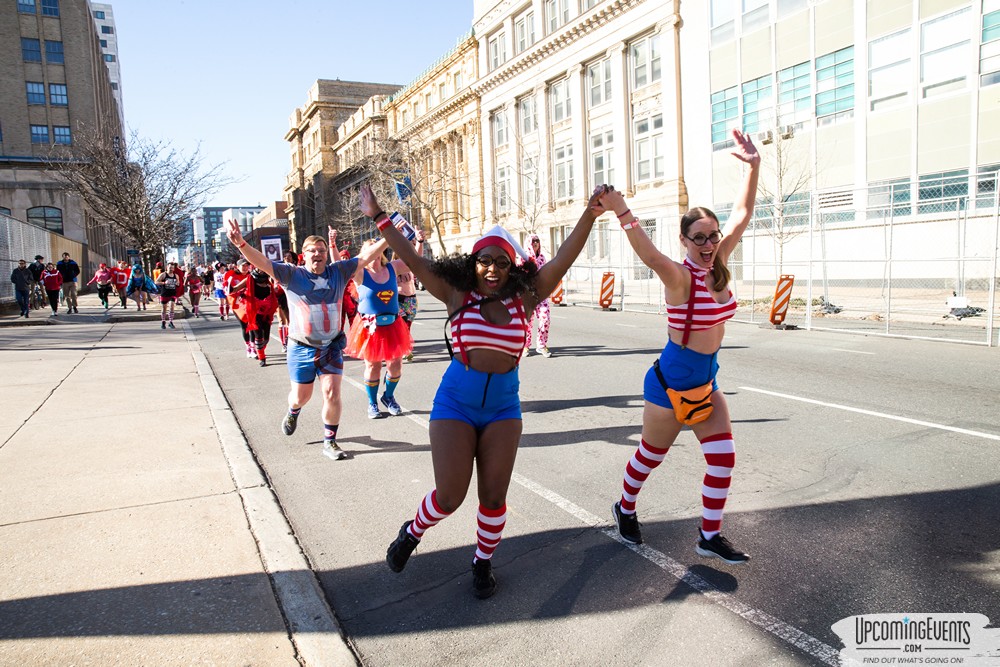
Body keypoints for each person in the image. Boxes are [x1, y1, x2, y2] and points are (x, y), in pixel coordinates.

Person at [361, 182, 603, 599]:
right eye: (485, 261)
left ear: (514, 268)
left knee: (493, 497)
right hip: (456, 403)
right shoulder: (456, 294)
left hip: (503, 408)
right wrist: (379, 216)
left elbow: (563, 260)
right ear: (472, 264)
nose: (492, 269)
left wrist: (589, 214)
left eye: (502, 263)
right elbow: (414, 259)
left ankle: (482, 563)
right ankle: (412, 532)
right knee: (450, 496)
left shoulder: (524, 300)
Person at [603, 128, 760, 565]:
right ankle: (625, 506)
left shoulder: (719, 263)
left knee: (723, 458)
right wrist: (622, 211)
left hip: (706, 384)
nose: (709, 244)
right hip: (669, 386)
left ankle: (709, 535)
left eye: (713, 236)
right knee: (650, 457)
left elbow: (743, 213)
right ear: (685, 241)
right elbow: (649, 255)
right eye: (700, 238)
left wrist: (754, 167)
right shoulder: (679, 276)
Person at [224, 218, 389, 462]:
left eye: (322, 251)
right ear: (304, 255)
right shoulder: (291, 274)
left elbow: (365, 257)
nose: (318, 254)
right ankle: (293, 410)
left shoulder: (339, 271)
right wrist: (241, 245)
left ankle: (329, 441)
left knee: (332, 392)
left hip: (331, 345)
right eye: (312, 251)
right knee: (302, 396)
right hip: (301, 346)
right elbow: (264, 263)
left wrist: (389, 236)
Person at [344, 236, 420, 419]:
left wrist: (413, 241)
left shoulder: (392, 268)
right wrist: (331, 244)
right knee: (373, 365)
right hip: (370, 327)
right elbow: (340, 265)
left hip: (393, 324)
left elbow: (413, 261)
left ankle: (388, 396)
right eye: (371, 250)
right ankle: (372, 403)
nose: (375, 255)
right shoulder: (360, 273)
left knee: (396, 365)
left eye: (377, 251)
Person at [230, 268, 279, 366]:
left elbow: (275, 291)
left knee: (266, 338)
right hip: (254, 312)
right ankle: (262, 358)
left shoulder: (268, 281)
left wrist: (276, 288)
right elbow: (234, 289)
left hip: (266, 312)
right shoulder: (250, 279)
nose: (260, 270)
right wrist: (228, 284)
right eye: (258, 268)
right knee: (258, 335)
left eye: (262, 268)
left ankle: (260, 349)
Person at [395, 235, 424, 362]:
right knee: (403, 326)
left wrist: (420, 241)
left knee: (408, 326)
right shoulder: (394, 268)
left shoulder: (409, 266)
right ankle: (405, 350)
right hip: (399, 300)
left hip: (411, 300)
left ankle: (403, 348)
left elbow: (417, 257)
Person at [523, 233, 552, 358]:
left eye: (537, 240)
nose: (535, 243)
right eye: (533, 241)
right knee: (527, 322)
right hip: (528, 295)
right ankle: (525, 346)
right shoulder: (524, 258)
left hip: (541, 294)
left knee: (545, 318)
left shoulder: (542, 258)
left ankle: (541, 345)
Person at [155, 260, 182, 329]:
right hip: (164, 293)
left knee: (172, 306)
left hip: (172, 293)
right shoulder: (163, 274)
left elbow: (178, 283)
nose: (171, 269)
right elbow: (156, 282)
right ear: (167, 267)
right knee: (164, 308)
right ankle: (163, 321)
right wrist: (164, 283)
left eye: (172, 268)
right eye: (170, 268)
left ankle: (171, 322)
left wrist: (177, 283)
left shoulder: (176, 276)